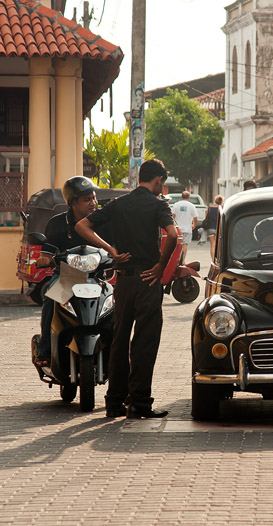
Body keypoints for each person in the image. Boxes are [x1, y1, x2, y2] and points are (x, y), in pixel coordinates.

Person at [76, 159, 178, 420]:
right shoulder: (158, 204)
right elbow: (173, 235)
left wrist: (111, 250)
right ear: (157, 181)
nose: (161, 189)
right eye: (161, 184)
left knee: (119, 341)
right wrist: (160, 267)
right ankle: (140, 404)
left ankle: (114, 403)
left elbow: (82, 226)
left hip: (122, 281)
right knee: (144, 342)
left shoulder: (118, 204)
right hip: (148, 281)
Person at [33, 176, 100, 368]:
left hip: (97, 277)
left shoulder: (103, 221)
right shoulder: (57, 223)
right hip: (68, 277)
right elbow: (46, 253)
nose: (93, 203)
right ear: (72, 203)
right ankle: (45, 350)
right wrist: (45, 259)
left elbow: (114, 247)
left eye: (94, 198)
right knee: (50, 300)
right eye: (87, 200)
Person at [171, 191, 198, 262]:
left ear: (181, 197)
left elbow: (172, 216)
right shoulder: (191, 206)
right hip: (187, 229)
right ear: (189, 197)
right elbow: (195, 217)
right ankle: (182, 260)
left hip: (177, 229)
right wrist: (194, 224)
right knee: (185, 244)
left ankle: (177, 259)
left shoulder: (176, 205)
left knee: (177, 245)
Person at [204, 195, 223, 260]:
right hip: (219, 229)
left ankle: (213, 259)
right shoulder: (221, 209)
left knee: (212, 244)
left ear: (215, 201)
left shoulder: (209, 208)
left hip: (211, 228)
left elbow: (206, 216)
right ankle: (218, 259)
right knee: (218, 245)